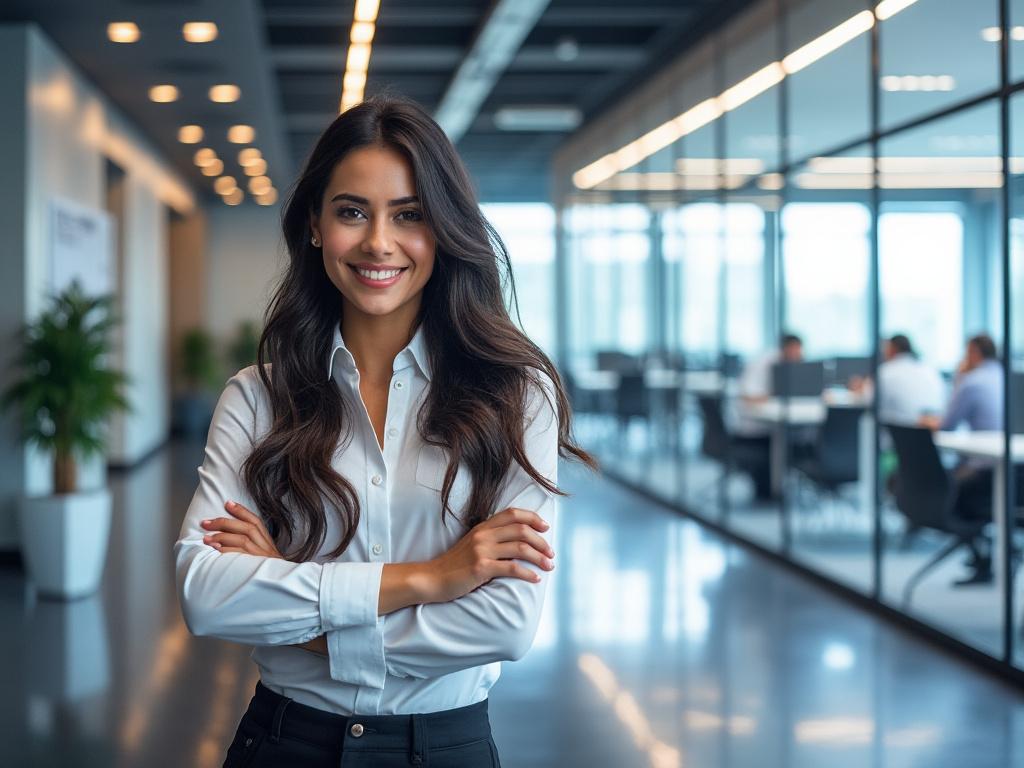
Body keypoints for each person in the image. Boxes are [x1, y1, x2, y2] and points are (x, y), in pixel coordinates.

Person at [174, 95, 594, 768]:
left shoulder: (515, 398)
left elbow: (506, 623)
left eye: (410, 215)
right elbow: (208, 594)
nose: (378, 242)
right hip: (284, 744)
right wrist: (429, 579)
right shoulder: (257, 397)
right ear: (314, 225)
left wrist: (292, 596)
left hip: (447, 747)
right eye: (351, 211)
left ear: (444, 230)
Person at [920, 333, 1003, 586]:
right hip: (1009, 470)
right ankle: (983, 555)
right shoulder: (1005, 376)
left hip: (982, 469)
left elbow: (946, 425)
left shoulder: (971, 381)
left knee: (951, 489)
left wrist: (959, 379)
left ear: (974, 353)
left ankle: (981, 556)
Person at [731, 333, 804, 500]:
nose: (797, 357)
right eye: (795, 352)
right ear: (785, 348)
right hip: (752, 429)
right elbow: (747, 396)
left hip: (775, 428)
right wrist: (774, 395)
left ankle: (777, 486)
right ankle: (771, 490)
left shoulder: (788, 366)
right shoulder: (762, 363)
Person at [849, 334, 945, 426]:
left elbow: (867, 400)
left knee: (868, 420)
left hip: (900, 432)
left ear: (892, 349)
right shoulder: (928, 369)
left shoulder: (887, 371)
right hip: (932, 431)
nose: (884, 352)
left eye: (885, 348)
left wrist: (861, 389)